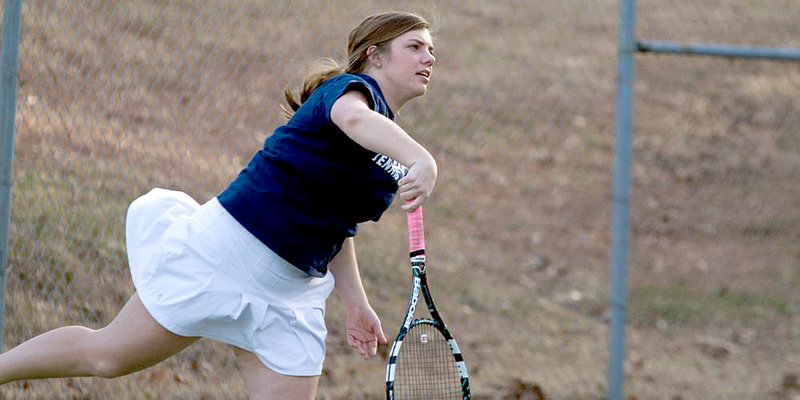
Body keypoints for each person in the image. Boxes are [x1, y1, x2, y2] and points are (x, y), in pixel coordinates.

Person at [0, 11, 437, 399]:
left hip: (293, 293)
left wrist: (355, 302)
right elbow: (354, 119)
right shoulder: (347, 91)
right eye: (414, 47)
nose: (428, 58)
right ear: (374, 56)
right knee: (108, 357)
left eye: (431, 50)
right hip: (230, 250)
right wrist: (425, 159)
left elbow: (339, 226)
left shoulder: (389, 149)